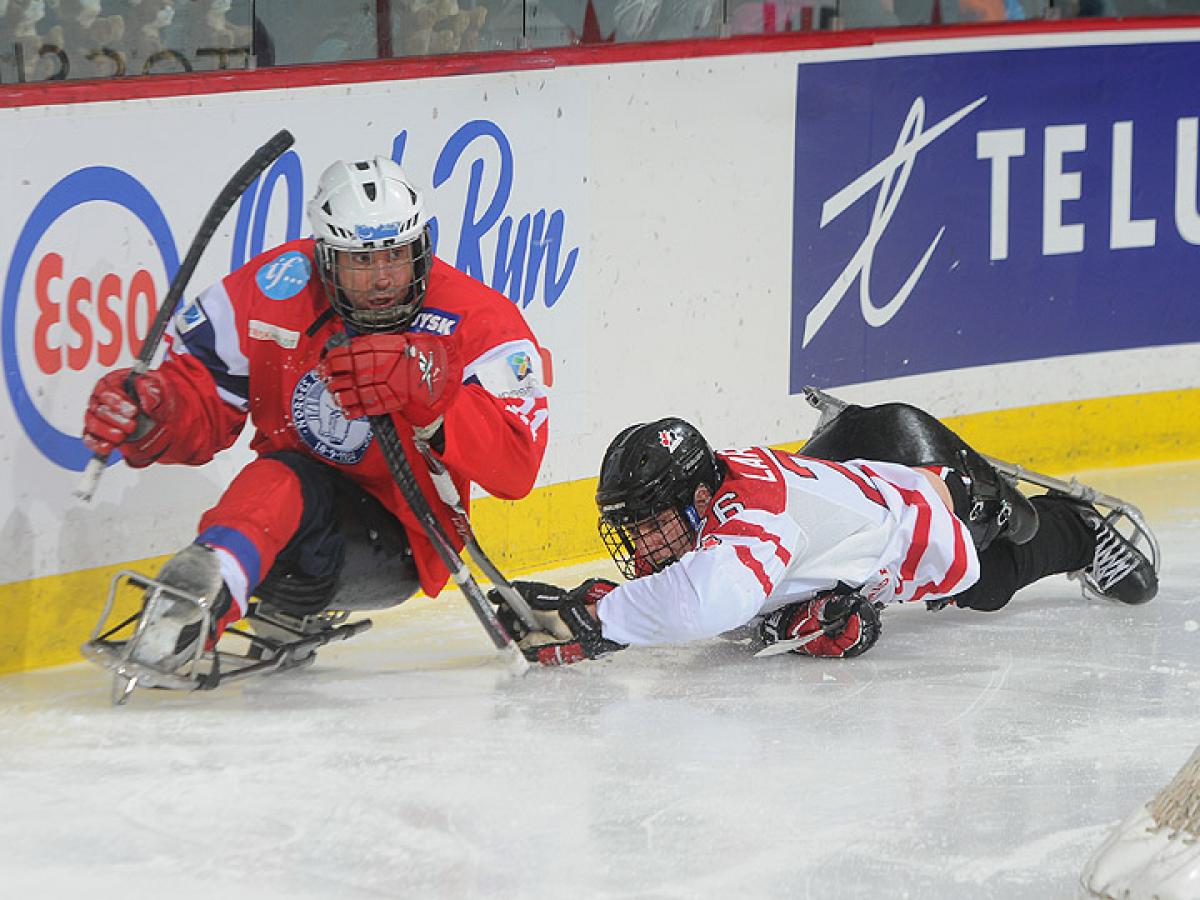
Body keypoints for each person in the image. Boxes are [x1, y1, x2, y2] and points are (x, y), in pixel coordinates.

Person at [82, 156, 549, 678]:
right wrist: (157, 410)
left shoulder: (477, 319)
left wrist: (435, 399)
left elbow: (517, 467)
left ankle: (208, 604)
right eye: (360, 261)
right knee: (279, 479)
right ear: (325, 256)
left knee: (280, 481)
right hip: (282, 503)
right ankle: (204, 595)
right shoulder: (276, 287)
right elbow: (203, 395)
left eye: (395, 255)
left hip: (400, 535)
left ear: (422, 247)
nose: (382, 280)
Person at [491, 403, 1157, 667]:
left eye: (654, 521)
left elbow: (707, 602)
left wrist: (599, 617)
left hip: (922, 510)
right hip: (860, 459)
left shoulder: (752, 524)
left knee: (985, 583)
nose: (644, 541)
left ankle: (1080, 529)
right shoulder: (718, 494)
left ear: (699, 498)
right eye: (631, 526)